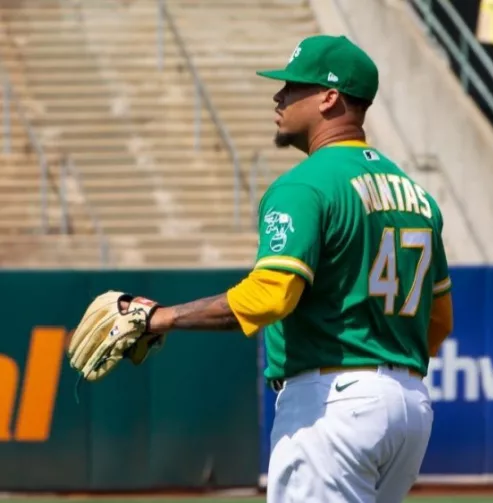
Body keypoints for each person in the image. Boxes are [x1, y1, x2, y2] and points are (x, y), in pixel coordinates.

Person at [143, 34, 454, 503]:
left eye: (292, 86)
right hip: (409, 406)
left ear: (330, 98)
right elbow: (439, 323)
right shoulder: (417, 196)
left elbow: (270, 296)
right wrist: (386, 368)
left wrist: (163, 317)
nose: (279, 96)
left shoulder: (305, 186)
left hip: (333, 402)